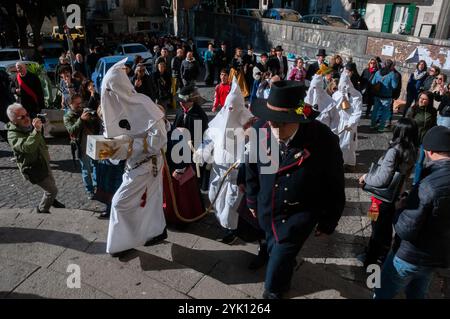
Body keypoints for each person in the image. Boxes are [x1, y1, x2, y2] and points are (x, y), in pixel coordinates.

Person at [247, 80, 345, 299]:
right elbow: (251, 168)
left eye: (281, 123)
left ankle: (275, 291)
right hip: (266, 208)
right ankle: (272, 256)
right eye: (272, 122)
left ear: (298, 119)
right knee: (273, 247)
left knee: (275, 277)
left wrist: (329, 221)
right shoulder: (260, 129)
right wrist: (252, 200)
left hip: (297, 218)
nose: (274, 128)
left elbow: (335, 185)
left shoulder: (324, 141)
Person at [101, 59, 169, 257]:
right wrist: (110, 148)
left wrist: (131, 146)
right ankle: (156, 231)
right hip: (135, 163)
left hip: (148, 163)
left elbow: (160, 137)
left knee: (119, 202)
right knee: (153, 197)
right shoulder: (118, 106)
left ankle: (121, 242)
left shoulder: (143, 103)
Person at [374, 126, 450, 299]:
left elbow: (406, 228)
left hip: (409, 256)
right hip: (437, 256)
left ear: (430, 152)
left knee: (381, 292)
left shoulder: (428, 185)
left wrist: (399, 209)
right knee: (417, 294)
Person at [194, 80, 255, 244]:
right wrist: (201, 152)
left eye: (233, 109)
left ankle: (232, 230)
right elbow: (208, 139)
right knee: (214, 197)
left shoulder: (249, 124)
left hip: (235, 175)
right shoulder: (218, 123)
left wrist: (242, 163)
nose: (230, 112)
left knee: (231, 204)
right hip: (218, 171)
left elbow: (251, 148)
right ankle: (225, 225)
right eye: (228, 108)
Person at [359, 118, 418, 267]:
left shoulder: (394, 151)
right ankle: (380, 255)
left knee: (376, 228)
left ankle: (371, 260)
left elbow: (381, 179)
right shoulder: (412, 151)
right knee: (384, 229)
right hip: (394, 197)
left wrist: (366, 177)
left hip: (380, 199)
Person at [6, 103, 65, 213]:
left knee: (51, 181)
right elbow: (27, 147)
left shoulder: (27, 126)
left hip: (43, 161)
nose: (27, 118)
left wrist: (46, 153)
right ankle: (42, 209)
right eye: (22, 117)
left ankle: (51, 200)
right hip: (33, 167)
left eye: (27, 114)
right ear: (14, 120)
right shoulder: (12, 135)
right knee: (52, 190)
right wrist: (36, 131)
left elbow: (40, 141)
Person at [172, 85, 209, 193]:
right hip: (178, 150)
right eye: (180, 101)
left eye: (183, 101)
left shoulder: (198, 116)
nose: (180, 103)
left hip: (191, 154)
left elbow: (197, 140)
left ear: (191, 101)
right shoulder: (180, 111)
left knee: (191, 183)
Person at [63, 94, 100, 200]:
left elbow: (95, 126)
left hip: (93, 142)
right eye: (77, 104)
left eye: (81, 103)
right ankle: (89, 190)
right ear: (70, 104)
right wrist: (81, 119)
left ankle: (97, 186)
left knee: (96, 166)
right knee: (86, 168)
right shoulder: (67, 116)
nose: (80, 105)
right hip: (81, 144)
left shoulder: (85, 110)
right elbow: (71, 130)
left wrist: (93, 117)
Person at [333, 71, 363, 169]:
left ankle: (349, 163)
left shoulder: (357, 96)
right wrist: (341, 97)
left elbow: (357, 111)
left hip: (350, 124)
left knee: (349, 145)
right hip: (339, 122)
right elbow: (334, 108)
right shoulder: (336, 95)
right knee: (339, 144)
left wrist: (351, 123)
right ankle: (339, 163)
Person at [406, 91, 437, 185]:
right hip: (413, 139)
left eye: (424, 99)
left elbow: (433, 124)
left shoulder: (433, 111)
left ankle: (416, 183)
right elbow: (406, 124)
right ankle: (404, 178)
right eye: (420, 98)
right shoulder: (413, 109)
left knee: (419, 162)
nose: (421, 100)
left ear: (429, 101)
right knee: (409, 161)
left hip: (425, 140)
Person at [370, 59, 399, 132]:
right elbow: (394, 86)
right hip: (387, 96)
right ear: (391, 65)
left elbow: (373, 82)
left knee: (375, 110)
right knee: (385, 112)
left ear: (384, 64)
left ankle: (372, 125)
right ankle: (381, 127)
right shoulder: (392, 74)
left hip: (377, 95)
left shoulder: (377, 72)